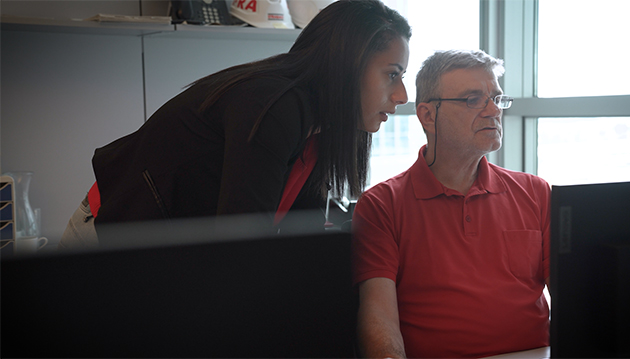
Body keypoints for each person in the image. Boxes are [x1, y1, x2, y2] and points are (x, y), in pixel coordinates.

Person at [58, 0, 411, 249]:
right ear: (347, 64)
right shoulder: (274, 106)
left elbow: (298, 238)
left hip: (164, 257)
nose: (401, 94)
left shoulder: (319, 129)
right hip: (112, 234)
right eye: (392, 75)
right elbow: (240, 247)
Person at [352, 49, 551, 358]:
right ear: (428, 115)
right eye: (473, 100)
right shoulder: (381, 205)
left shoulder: (536, 192)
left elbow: (579, 300)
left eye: (497, 99)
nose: (493, 111)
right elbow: (380, 321)